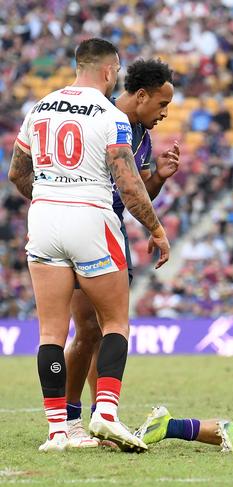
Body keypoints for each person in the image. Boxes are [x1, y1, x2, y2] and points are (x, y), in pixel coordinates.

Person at [8, 38, 170, 452]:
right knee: (115, 322)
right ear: (110, 71)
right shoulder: (110, 114)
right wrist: (156, 229)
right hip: (91, 218)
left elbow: (16, 173)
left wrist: (51, 197)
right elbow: (129, 185)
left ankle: (58, 432)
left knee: (50, 331)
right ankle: (107, 414)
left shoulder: (39, 106)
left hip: (43, 218)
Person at [62, 58, 179, 448]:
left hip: (110, 230)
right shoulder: (103, 117)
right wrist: (157, 229)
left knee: (102, 328)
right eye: (162, 105)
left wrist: (157, 177)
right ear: (141, 95)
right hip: (83, 226)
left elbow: (134, 192)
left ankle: (102, 417)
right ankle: (69, 418)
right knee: (89, 329)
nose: (164, 114)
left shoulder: (141, 135)